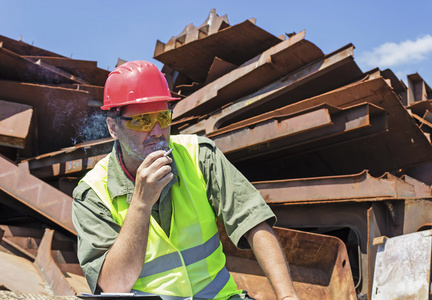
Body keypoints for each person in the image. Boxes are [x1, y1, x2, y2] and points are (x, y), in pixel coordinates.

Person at [72, 60, 299, 300]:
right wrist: (141, 204)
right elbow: (113, 285)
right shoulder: (92, 193)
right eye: (143, 121)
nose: (157, 131)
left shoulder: (200, 156)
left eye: (163, 117)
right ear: (113, 128)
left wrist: (287, 297)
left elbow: (254, 222)